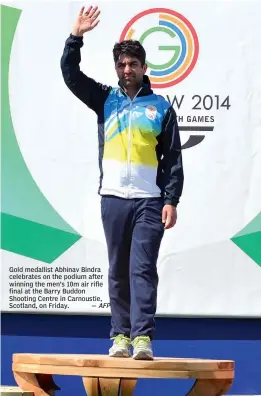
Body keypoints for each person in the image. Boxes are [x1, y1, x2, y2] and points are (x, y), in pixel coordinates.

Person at [61, 5, 184, 360]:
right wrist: (76, 37)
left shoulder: (160, 107)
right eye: (121, 65)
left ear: (145, 68)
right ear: (117, 69)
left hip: (149, 199)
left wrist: (170, 199)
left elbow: (173, 158)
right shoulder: (105, 100)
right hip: (113, 198)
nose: (127, 70)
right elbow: (70, 74)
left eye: (133, 64)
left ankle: (142, 338)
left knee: (141, 267)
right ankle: (120, 337)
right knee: (118, 268)